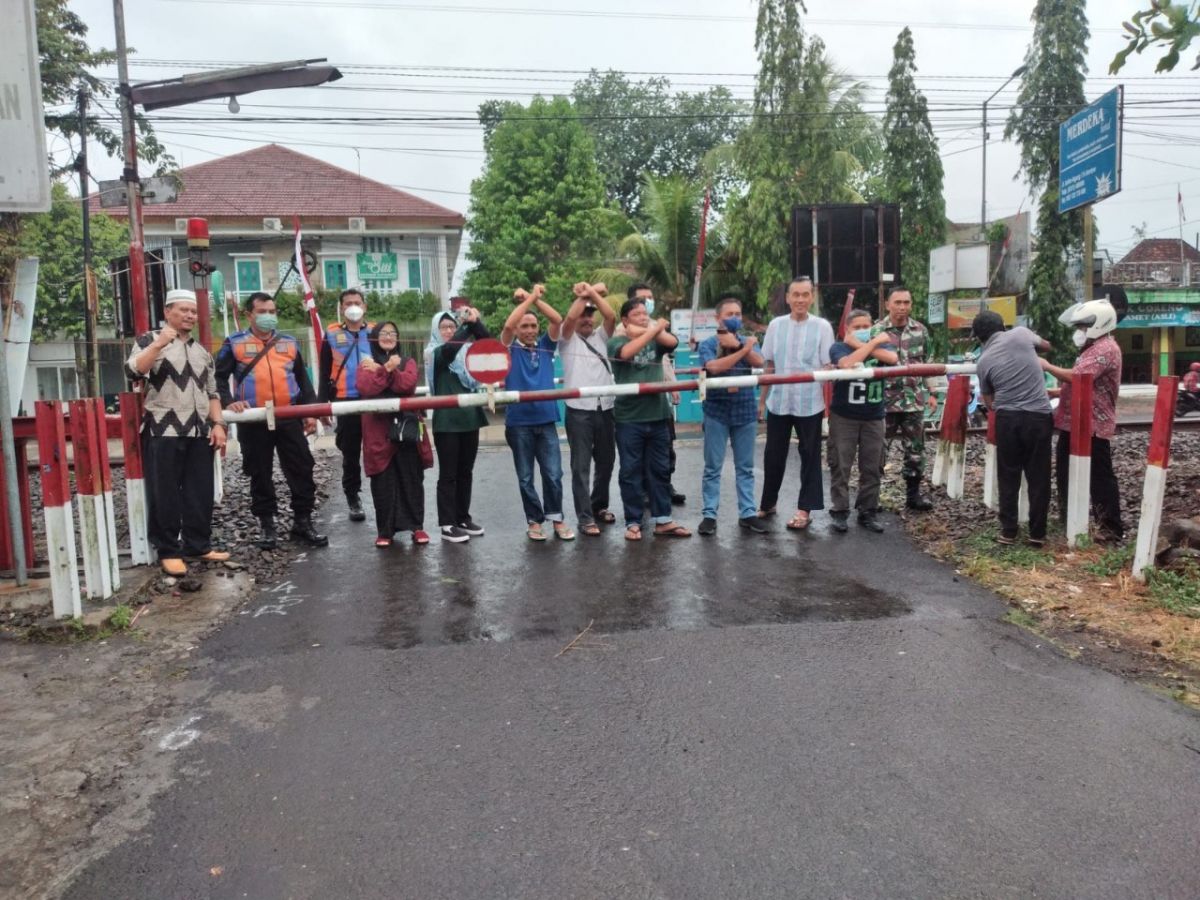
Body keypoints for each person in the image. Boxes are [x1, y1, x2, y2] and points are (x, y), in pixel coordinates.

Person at [125, 289, 230, 575]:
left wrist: (218, 424)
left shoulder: (202, 352)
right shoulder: (148, 340)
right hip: (163, 429)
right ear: (167, 311)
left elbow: (212, 392)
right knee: (165, 492)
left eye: (193, 311)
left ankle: (198, 545)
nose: (190, 315)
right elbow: (133, 371)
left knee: (200, 491)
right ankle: (168, 550)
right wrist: (159, 343)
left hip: (199, 430)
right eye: (183, 310)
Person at [215, 292, 327, 550]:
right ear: (249, 315)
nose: (268, 316)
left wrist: (310, 412)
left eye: (272, 311)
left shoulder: (289, 343)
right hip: (253, 419)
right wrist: (229, 401)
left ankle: (303, 522)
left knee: (302, 467)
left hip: (288, 416)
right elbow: (218, 379)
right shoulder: (234, 343)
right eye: (263, 311)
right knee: (259, 472)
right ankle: (267, 525)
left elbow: (304, 381)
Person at [1040, 298, 1125, 543]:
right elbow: (1087, 385)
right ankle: (1071, 521)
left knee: (1099, 478)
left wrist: (1047, 366)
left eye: (1083, 327)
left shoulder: (1105, 349)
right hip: (1075, 422)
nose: (1079, 332)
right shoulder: (1093, 348)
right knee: (1066, 473)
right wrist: (1057, 392)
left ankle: (1109, 528)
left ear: (1099, 324)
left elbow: (1079, 377)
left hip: (1092, 425)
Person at [608, 297, 691, 540]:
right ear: (625, 320)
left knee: (660, 469)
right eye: (637, 315)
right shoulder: (615, 342)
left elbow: (672, 342)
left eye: (646, 314)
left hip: (658, 415)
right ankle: (633, 522)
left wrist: (652, 330)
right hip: (629, 418)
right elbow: (626, 354)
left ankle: (663, 519)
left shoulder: (657, 340)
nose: (644, 317)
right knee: (630, 471)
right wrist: (654, 328)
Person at [755, 276, 834, 531]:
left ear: (812, 297)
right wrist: (762, 401)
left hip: (809, 403)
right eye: (795, 295)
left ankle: (804, 509)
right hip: (779, 401)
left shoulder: (822, 327)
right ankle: (768, 503)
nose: (800, 299)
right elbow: (769, 364)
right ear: (788, 298)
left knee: (810, 455)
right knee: (773, 455)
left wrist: (825, 374)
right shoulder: (775, 326)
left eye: (805, 294)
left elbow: (828, 365)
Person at [972, 310, 1054, 547]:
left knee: (1008, 475)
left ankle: (1008, 532)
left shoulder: (983, 362)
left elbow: (989, 402)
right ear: (1003, 326)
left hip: (1008, 419)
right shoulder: (1021, 334)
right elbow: (1046, 346)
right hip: (1039, 416)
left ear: (979, 337)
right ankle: (1037, 533)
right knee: (1039, 476)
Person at [501, 285, 572, 541]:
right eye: (525, 326)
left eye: (533, 326)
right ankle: (534, 521)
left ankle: (557, 518)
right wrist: (529, 298)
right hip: (519, 423)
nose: (530, 330)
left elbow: (557, 319)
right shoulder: (509, 348)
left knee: (553, 474)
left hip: (546, 420)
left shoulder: (545, 346)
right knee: (525, 477)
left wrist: (535, 300)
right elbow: (508, 325)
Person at [696, 293, 766, 536]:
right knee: (712, 467)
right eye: (729, 314)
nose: (734, 318)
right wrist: (742, 349)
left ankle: (748, 513)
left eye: (738, 314)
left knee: (745, 467)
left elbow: (759, 362)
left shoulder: (747, 340)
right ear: (718, 318)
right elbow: (713, 368)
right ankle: (709, 515)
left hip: (745, 411)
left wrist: (739, 345)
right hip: (716, 411)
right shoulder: (708, 344)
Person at [827, 309, 898, 535]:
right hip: (844, 416)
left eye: (865, 327)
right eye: (856, 327)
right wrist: (869, 344)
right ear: (847, 329)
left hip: (873, 416)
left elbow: (892, 359)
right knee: (840, 464)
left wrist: (867, 343)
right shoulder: (839, 347)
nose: (861, 330)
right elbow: (847, 364)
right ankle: (840, 511)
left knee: (872, 466)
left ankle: (868, 511)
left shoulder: (883, 347)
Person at [356, 322, 426, 547]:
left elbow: (408, 385)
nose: (388, 337)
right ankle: (385, 531)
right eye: (383, 333)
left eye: (392, 333)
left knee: (411, 478)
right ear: (375, 337)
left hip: (406, 428)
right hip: (378, 430)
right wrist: (386, 368)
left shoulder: (408, 361)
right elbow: (367, 388)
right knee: (382, 482)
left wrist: (388, 370)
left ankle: (417, 527)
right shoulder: (365, 363)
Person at [871, 285, 940, 512]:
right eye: (897, 302)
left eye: (906, 303)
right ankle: (872, 496)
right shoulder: (877, 331)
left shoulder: (920, 331)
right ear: (887, 305)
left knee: (916, 450)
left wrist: (932, 393)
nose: (902, 307)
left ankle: (913, 496)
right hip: (884, 401)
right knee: (878, 449)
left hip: (913, 400)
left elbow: (928, 363)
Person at [426, 304, 489, 543]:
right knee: (448, 475)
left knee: (466, 472)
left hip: (470, 418)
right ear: (435, 330)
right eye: (443, 327)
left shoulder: (467, 353)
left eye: (452, 326)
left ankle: (463, 517)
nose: (449, 331)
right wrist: (467, 326)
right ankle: (447, 523)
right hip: (447, 422)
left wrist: (475, 322)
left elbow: (487, 343)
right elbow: (449, 351)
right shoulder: (434, 353)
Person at [559, 282, 618, 536]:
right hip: (578, 410)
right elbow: (570, 318)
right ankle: (584, 517)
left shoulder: (602, 336)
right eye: (583, 314)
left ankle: (598, 505)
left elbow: (611, 316)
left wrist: (589, 292)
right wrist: (587, 295)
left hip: (605, 407)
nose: (586, 319)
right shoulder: (566, 339)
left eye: (590, 314)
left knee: (606, 462)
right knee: (580, 467)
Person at [627, 282, 685, 505]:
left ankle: (665, 486)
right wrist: (653, 330)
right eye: (643, 299)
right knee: (639, 452)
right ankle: (643, 492)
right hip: (636, 402)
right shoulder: (624, 328)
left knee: (666, 446)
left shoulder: (656, 327)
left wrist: (673, 385)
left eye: (650, 298)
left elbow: (665, 359)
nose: (648, 303)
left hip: (660, 397)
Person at [318, 288, 373, 522]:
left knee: (379, 449)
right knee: (350, 452)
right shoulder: (331, 334)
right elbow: (324, 371)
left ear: (364, 306)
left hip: (373, 399)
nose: (353, 307)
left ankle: (384, 494)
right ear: (341, 308)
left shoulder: (376, 331)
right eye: (348, 303)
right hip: (345, 400)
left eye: (357, 302)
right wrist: (322, 405)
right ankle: (353, 496)